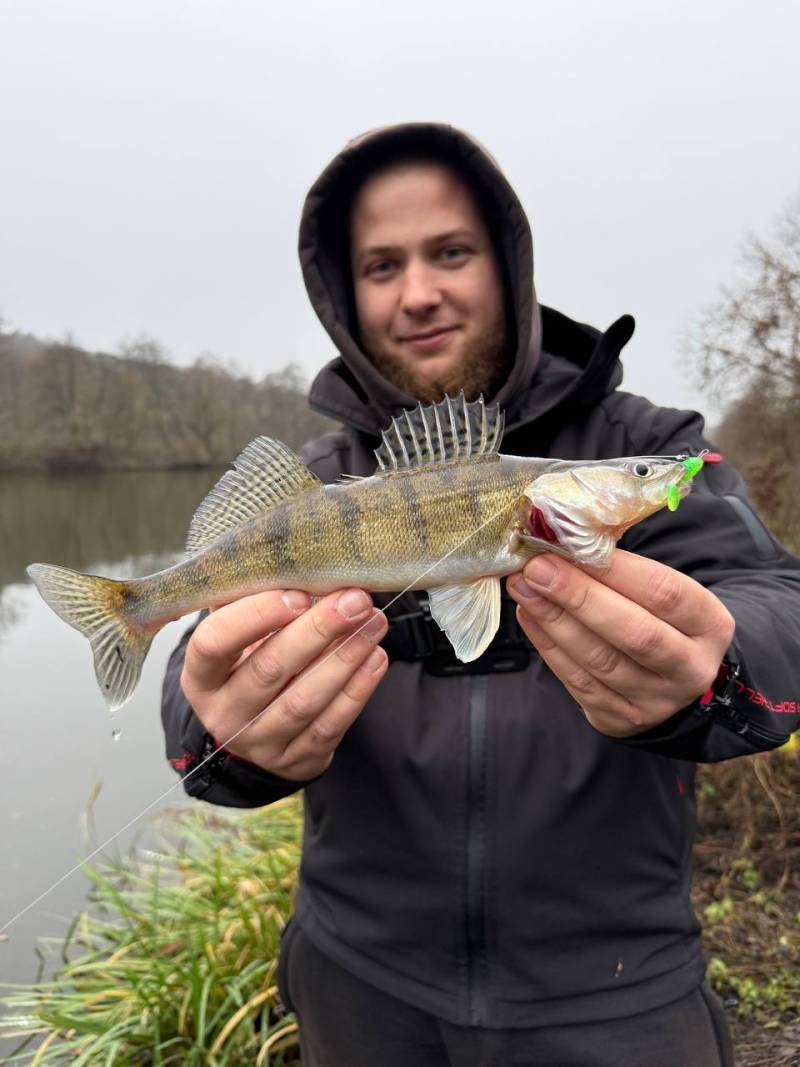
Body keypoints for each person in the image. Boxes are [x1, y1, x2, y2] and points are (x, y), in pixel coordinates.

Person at [161, 123, 800, 1066]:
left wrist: (722, 662)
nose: (418, 291)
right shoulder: (320, 482)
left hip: (620, 991)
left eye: (451, 251)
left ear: (508, 265)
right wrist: (224, 731)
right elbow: (195, 682)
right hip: (358, 983)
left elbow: (778, 596)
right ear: (345, 295)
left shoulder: (647, 445)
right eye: (382, 265)